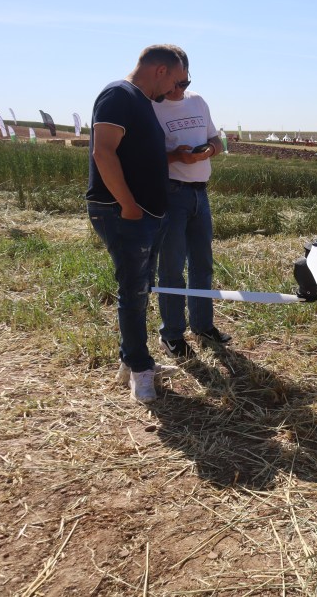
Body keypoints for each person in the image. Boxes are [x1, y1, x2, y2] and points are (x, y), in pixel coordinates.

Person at [87, 44, 189, 403]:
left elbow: (136, 154)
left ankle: (132, 360)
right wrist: (128, 205)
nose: (176, 91)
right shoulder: (119, 94)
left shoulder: (142, 103)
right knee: (133, 291)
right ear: (160, 70)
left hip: (145, 213)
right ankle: (141, 370)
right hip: (125, 213)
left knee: (140, 289)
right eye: (176, 81)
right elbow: (104, 152)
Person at [153, 57, 231, 359]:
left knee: (203, 264)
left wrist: (209, 150)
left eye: (186, 82)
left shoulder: (197, 102)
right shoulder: (151, 108)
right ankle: (172, 335)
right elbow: (144, 157)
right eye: (177, 83)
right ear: (165, 75)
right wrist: (176, 157)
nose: (180, 89)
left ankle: (202, 326)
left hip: (201, 194)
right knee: (172, 269)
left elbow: (216, 140)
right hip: (171, 195)